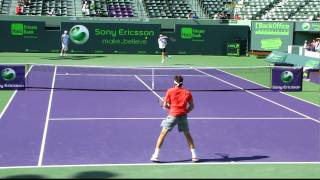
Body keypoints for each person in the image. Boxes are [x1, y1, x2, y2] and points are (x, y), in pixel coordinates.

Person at [150, 75, 199, 163]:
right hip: (183, 116)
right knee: (188, 135)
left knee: (162, 134)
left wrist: (169, 107)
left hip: (173, 116)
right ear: (182, 82)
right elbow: (192, 106)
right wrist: (185, 112)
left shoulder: (170, 91)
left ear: (174, 82)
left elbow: (165, 105)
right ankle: (194, 156)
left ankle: (156, 155)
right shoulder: (187, 92)